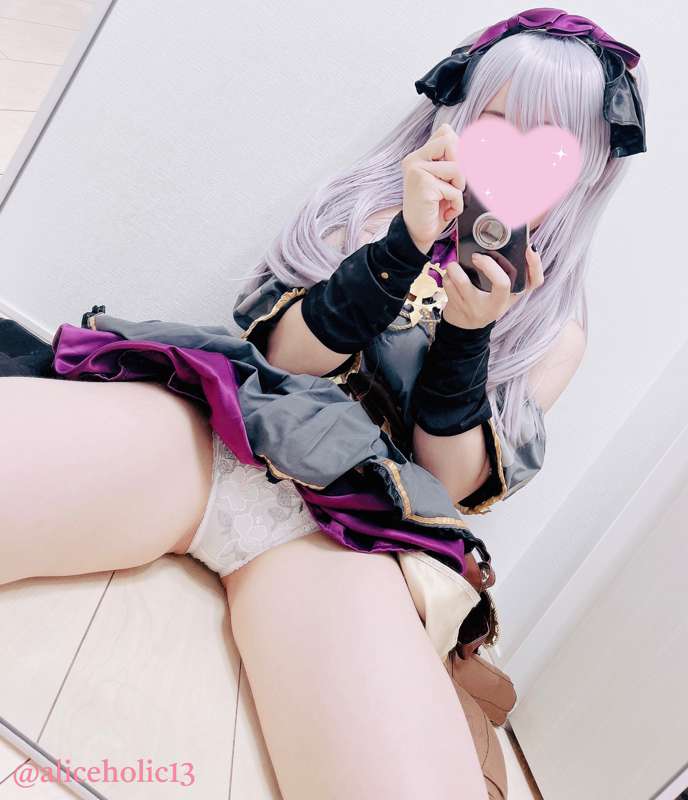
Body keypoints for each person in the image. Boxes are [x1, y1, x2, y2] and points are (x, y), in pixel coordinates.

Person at [0, 9, 648, 799]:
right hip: (222, 433)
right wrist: (400, 248)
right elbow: (281, 359)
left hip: (352, 536)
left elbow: (451, 481)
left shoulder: (553, 333)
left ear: (586, 171)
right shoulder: (371, 208)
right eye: (494, 121)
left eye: (550, 145)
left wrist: (470, 335)